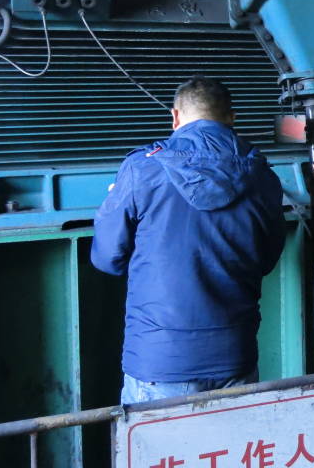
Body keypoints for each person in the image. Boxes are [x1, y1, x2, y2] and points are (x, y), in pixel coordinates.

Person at [91, 75, 285, 404]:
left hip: (159, 360)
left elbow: (108, 257)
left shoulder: (142, 169)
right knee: (234, 438)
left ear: (175, 116)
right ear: (231, 118)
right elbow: (266, 260)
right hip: (234, 355)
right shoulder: (262, 176)